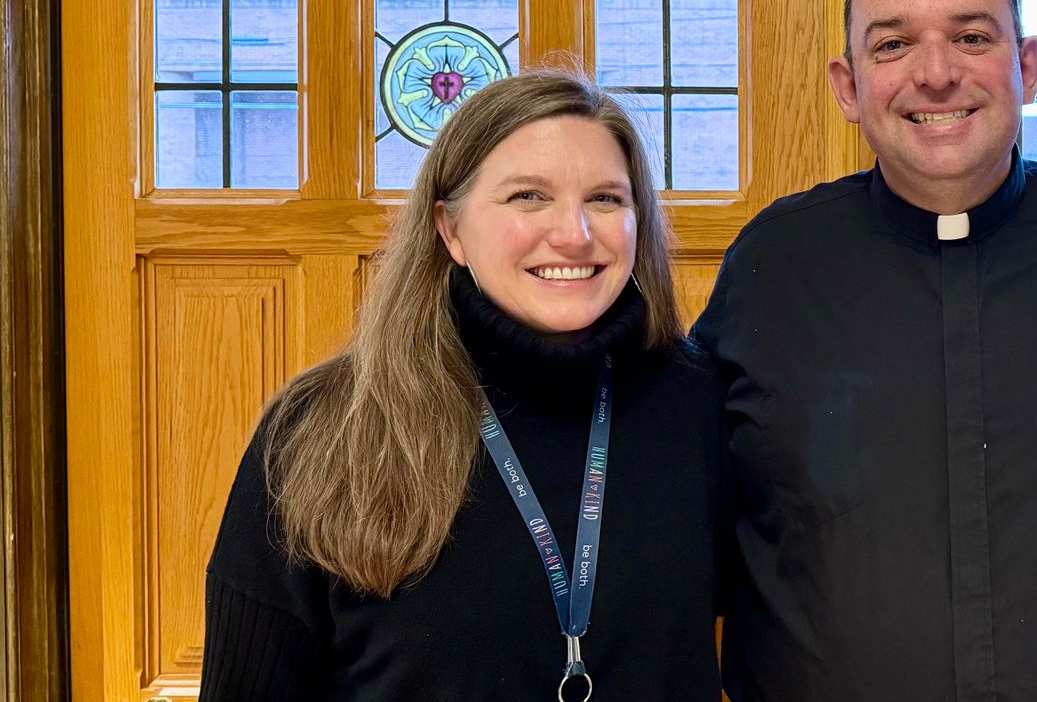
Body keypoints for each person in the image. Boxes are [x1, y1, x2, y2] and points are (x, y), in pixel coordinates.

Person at [692, 0, 1037, 702]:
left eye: (970, 36)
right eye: (892, 44)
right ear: (847, 83)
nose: (935, 74)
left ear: (1026, 66)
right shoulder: (773, 266)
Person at [200, 70, 726, 701]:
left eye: (607, 199)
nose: (574, 234)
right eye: (528, 197)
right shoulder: (321, 430)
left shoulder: (701, 407)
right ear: (450, 229)